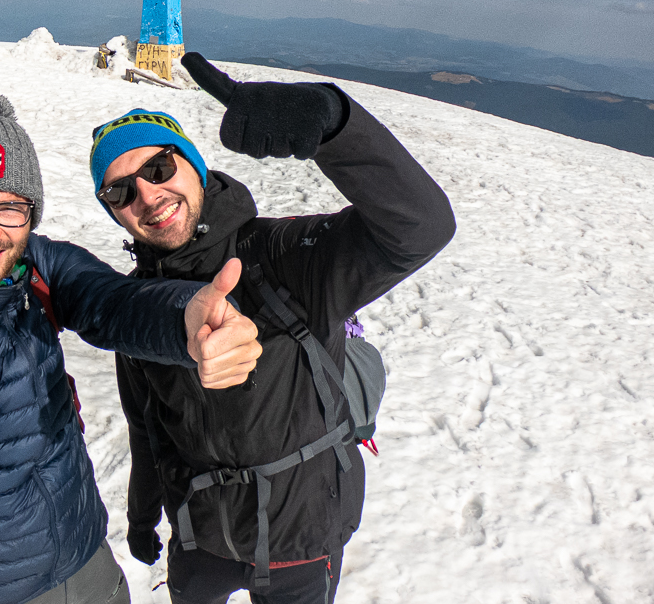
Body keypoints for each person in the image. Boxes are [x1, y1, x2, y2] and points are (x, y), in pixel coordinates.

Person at [0, 92, 262, 604]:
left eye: (9, 208)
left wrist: (185, 319)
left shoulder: (39, 267)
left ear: (31, 216)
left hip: (87, 556)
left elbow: (113, 303)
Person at [90, 54, 456, 604]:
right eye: (119, 192)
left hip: (302, 534)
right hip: (200, 537)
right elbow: (147, 427)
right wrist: (143, 518)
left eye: (159, 169)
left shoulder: (280, 257)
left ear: (194, 165)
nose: (147, 196)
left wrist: (335, 123)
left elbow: (421, 226)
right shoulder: (140, 304)